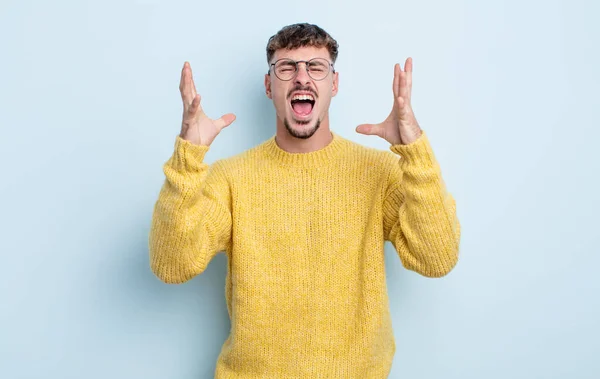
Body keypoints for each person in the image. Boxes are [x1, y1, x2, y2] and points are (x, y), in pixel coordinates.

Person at [149, 22, 461, 379]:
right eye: (286, 67)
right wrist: (187, 157)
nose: (302, 78)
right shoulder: (230, 178)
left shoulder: (379, 173)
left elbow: (437, 259)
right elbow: (171, 265)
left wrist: (414, 149)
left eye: (316, 67)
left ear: (334, 84)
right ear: (269, 86)